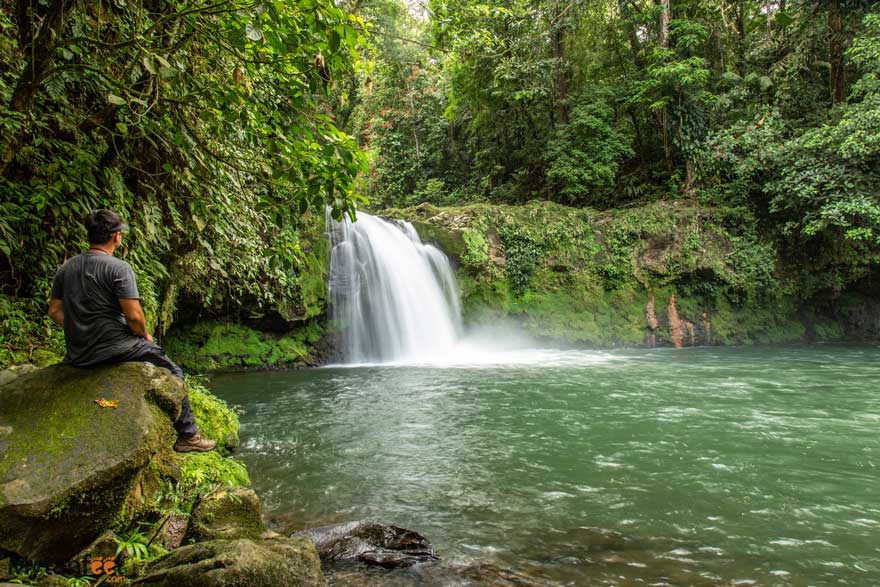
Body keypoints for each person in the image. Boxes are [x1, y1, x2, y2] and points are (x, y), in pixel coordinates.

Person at [48, 209, 216, 453]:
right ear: (117, 237)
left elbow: (54, 311)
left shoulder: (67, 268)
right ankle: (189, 436)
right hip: (115, 348)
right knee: (173, 370)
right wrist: (144, 336)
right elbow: (134, 317)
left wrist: (78, 328)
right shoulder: (118, 268)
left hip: (80, 353)